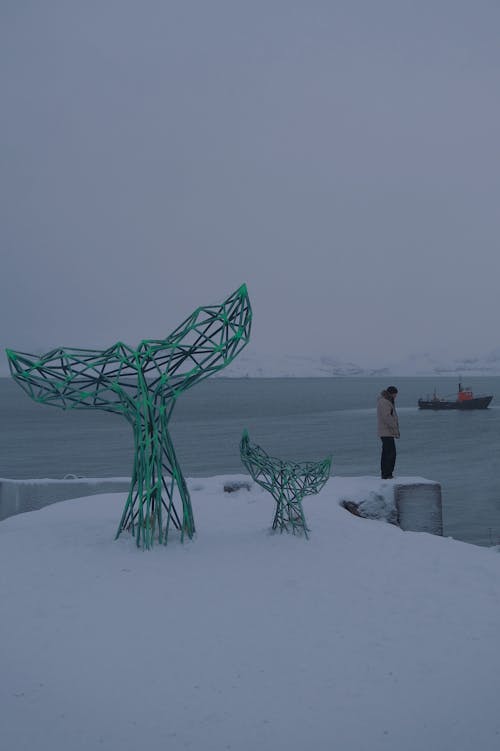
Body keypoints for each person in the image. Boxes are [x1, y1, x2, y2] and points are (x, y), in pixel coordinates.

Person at [377, 386, 400, 479]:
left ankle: (386, 473)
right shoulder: (385, 402)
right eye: (395, 394)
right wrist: (394, 427)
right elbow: (387, 417)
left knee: (387, 452)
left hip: (386, 431)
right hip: (386, 431)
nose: (396, 396)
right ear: (391, 393)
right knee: (390, 453)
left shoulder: (386, 401)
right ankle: (387, 474)